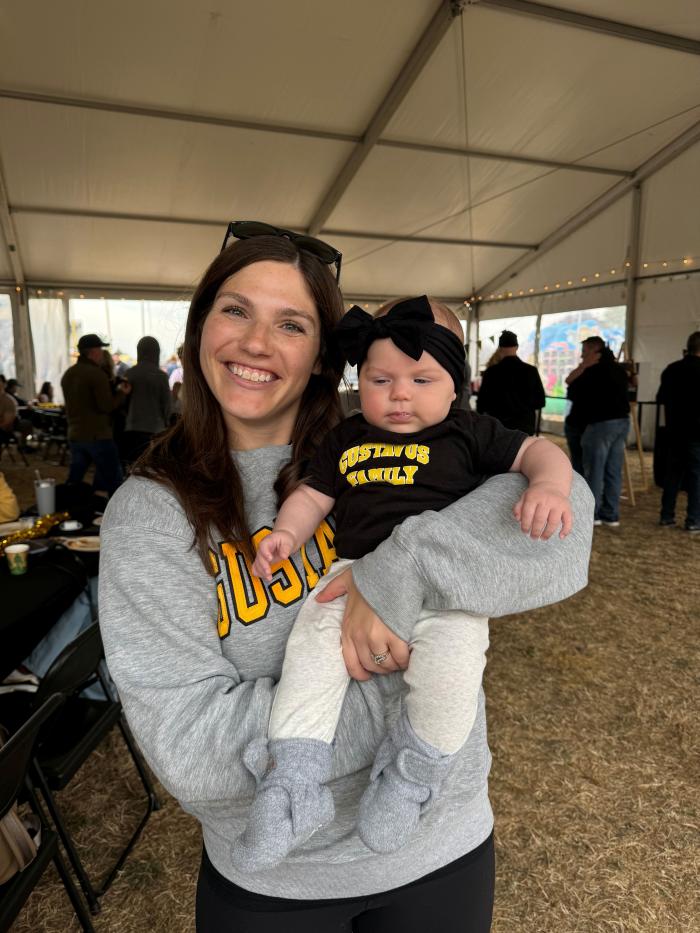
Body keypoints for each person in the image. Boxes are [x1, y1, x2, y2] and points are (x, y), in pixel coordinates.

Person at [98, 226, 593, 933]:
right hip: (277, 881)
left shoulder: (412, 441)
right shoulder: (150, 512)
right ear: (199, 325)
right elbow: (192, 752)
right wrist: (413, 688)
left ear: (325, 353)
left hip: (443, 844)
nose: (257, 343)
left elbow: (563, 523)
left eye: (291, 323)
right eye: (236, 310)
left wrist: (402, 567)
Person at [242, 296, 573, 869]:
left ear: (455, 386)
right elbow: (314, 496)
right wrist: (285, 534)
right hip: (351, 577)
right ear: (358, 382)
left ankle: (413, 775)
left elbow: (540, 450)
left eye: (421, 378)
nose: (399, 394)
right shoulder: (346, 439)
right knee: (311, 649)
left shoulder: (470, 432)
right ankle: (294, 780)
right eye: (380, 379)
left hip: (446, 588)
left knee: (454, 673)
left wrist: (549, 487)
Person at [565, 336, 630, 526]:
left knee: (593, 469)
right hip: (622, 422)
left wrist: (584, 366)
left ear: (595, 351)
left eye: (585, 351)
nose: (582, 355)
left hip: (600, 424)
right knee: (613, 468)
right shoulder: (619, 369)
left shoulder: (592, 371)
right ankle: (611, 514)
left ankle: (591, 514)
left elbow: (571, 386)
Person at [61, 333, 130, 497]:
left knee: (74, 479)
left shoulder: (68, 374)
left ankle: (68, 507)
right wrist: (122, 393)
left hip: (75, 434)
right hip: (98, 435)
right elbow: (106, 406)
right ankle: (117, 516)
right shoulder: (96, 375)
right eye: (100, 349)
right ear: (92, 352)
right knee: (114, 479)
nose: (101, 353)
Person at [657, 330, 700, 533]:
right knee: (696, 476)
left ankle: (666, 515)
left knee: (673, 474)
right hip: (697, 432)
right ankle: (693, 519)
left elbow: (661, 398)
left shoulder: (672, 369)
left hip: (674, 430)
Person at [476, 330, 545, 435]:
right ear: (517, 347)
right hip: (524, 428)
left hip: (498, 428)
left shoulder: (491, 372)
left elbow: (481, 404)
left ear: (500, 348)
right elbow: (540, 401)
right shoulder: (531, 371)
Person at [122, 336, 172, 462]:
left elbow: (123, 402)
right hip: (155, 429)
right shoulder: (161, 376)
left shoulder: (129, 374)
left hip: (132, 426)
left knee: (134, 464)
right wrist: (167, 423)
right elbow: (166, 405)